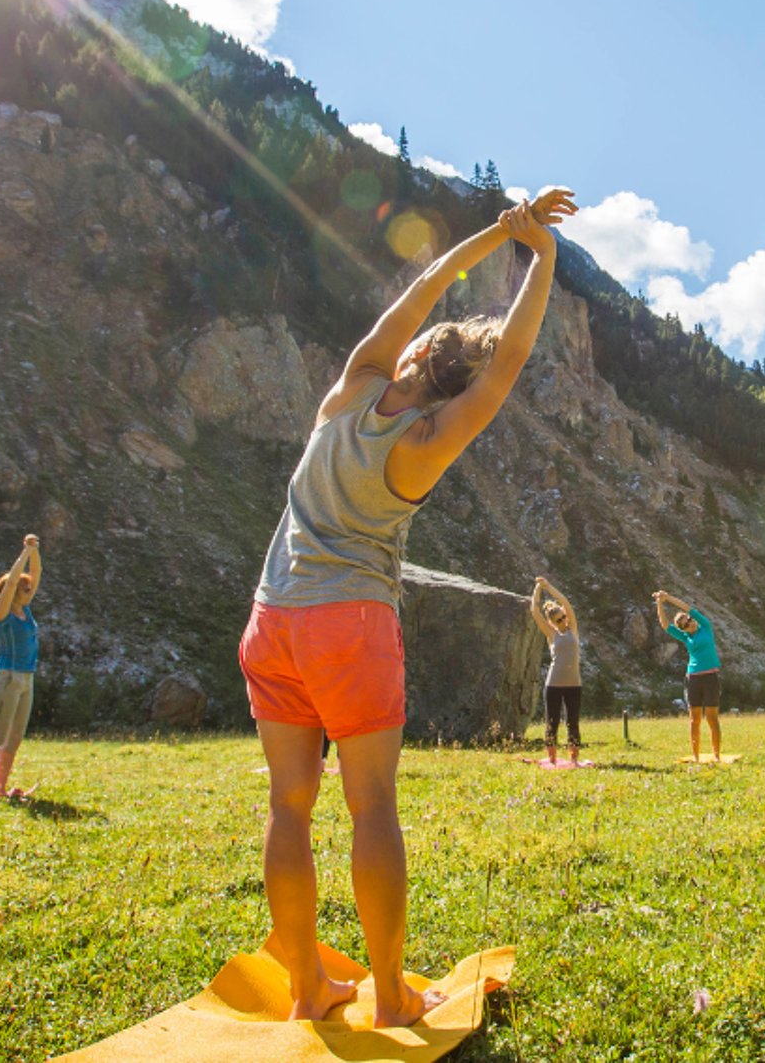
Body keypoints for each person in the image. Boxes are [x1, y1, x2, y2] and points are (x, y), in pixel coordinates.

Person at [238, 189, 575, 1025]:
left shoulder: (348, 391)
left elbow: (426, 285)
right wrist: (544, 257)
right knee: (372, 807)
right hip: (348, 621)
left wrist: (491, 239)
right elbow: (510, 361)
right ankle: (390, 996)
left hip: (270, 617)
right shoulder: (427, 445)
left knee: (288, 805)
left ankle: (308, 990)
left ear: (419, 350)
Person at [0, 534, 41, 800]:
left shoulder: (26, 610)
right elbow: (15, 579)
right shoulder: (2, 615)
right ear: (13, 591)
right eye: (25, 589)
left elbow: (35, 573)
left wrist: (34, 550)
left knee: (13, 737)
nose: (30, 590)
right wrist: (24, 553)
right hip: (8, 678)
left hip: (26, 679)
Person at [655, 591, 722, 760]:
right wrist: (659, 603)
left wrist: (668, 598)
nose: (691, 623)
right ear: (683, 629)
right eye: (686, 624)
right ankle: (696, 756)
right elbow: (665, 625)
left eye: (690, 620)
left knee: (713, 719)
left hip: (710, 677)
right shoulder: (685, 637)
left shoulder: (705, 626)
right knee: (695, 720)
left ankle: (716, 755)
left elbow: (689, 608)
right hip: (693, 678)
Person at [530, 576, 583, 765]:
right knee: (552, 722)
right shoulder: (551, 634)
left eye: (564, 617)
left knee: (573, 722)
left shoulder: (573, 629)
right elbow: (534, 611)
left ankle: (574, 759)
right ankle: (552, 760)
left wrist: (549, 587)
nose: (563, 620)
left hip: (574, 684)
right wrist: (537, 589)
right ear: (552, 622)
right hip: (553, 684)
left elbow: (566, 603)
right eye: (559, 619)